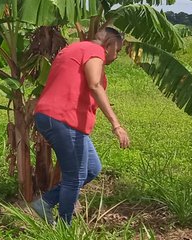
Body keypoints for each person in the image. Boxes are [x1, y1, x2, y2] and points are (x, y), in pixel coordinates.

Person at [31, 27, 131, 224]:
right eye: (117, 50)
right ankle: (65, 231)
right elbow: (94, 85)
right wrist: (116, 125)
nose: (116, 56)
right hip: (62, 119)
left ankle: (45, 202)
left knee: (92, 168)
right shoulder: (94, 51)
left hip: (60, 119)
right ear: (108, 44)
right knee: (74, 177)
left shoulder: (74, 49)